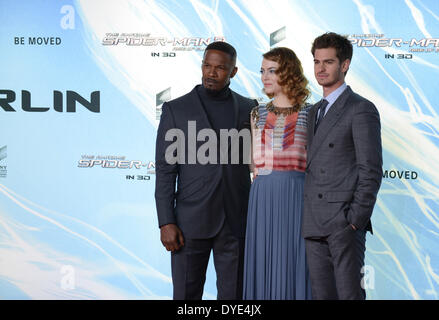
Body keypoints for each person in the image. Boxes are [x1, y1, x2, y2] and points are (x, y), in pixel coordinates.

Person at [155, 41, 258, 300]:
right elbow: (166, 170)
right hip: (189, 224)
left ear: (233, 72)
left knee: (235, 298)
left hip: (236, 222)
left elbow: (258, 162)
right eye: (207, 65)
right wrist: (166, 221)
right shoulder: (175, 109)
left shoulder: (249, 108)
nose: (211, 73)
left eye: (220, 68)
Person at [302, 32, 383, 300]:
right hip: (313, 224)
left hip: (342, 225)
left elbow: (371, 170)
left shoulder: (361, 109)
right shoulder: (314, 111)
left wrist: (353, 221)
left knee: (350, 297)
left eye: (328, 62)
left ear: (345, 65)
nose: (320, 69)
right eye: (316, 62)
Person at [243, 47, 312, 300]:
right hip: (262, 196)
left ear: (289, 72)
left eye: (272, 70)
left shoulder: (311, 113)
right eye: (262, 71)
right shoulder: (257, 113)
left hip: (298, 196)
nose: (264, 76)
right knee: (263, 259)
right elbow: (253, 164)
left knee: (296, 261)